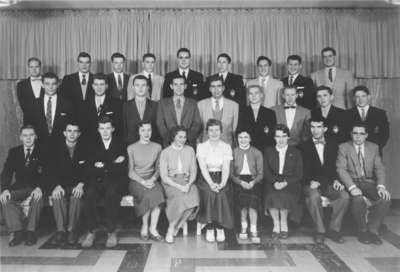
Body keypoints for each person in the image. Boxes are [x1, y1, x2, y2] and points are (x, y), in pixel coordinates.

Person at [336, 123, 391, 245]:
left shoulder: (374, 147)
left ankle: (373, 231)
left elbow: (379, 168)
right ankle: (363, 231)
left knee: (384, 199)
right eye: (355, 133)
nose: (358, 137)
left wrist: (381, 187)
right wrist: (352, 187)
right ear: (351, 134)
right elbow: (341, 169)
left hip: (368, 182)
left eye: (361, 134)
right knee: (358, 199)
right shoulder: (343, 147)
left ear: (366, 135)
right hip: (352, 181)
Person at [301, 117, 349, 244]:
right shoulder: (303, 146)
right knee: (314, 196)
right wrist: (310, 181)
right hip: (309, 182)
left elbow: (336, 167)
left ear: (325, 128)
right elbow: (302, 171)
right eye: (312, 127)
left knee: (344, 196)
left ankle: (334, 229)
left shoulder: (333, 145)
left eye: (319, 127)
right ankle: (320, 230)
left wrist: (337, 180)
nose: (315, 130)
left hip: (328, 182)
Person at [81, 117, 127, 248]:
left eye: (107, 128)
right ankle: (91, 231)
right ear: (98, 130)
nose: (105, 131)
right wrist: (112, 164)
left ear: (112, 129)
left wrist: (101, 166)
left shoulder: (121, 145)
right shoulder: (92, 145)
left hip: (115, 182)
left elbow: (122, 168)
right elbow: (88, 167)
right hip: (97, 182)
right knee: (88, 195)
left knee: (112, 195)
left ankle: (111, 231)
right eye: (102, 128)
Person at [0, 125, 45, 246]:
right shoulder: (14, 152)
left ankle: (31, 232)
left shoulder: (43, 151)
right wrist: (4, 190)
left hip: (36, 187)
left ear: (35, 136)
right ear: (21, 137)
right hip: (19, 187)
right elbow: (6, 173)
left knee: (38, 197)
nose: (28, 138)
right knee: (5, 199)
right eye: (25, 135)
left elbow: (48, 173)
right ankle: (17, 232)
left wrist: (40, 188)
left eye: (31, 135)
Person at [48, 122, 87, 246]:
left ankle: (71, 230)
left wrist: (81, 184)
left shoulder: (86, 148)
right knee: (57, 195)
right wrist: (56, 186)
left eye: (75, 131)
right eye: (69, 131)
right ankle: (61, 230)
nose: (72, 134)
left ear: (79, 134)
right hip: (62, 185)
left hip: (78, 186)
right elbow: (50, 171)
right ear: (64, 133)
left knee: (76, 196)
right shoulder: (55, 150)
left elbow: (89, 170)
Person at [160, 126, 200, 243]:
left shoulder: (190, 150)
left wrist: (188, 184)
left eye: (184, 137)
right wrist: (179, 186)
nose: (183, 139)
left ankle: (177, 226)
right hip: (171, 183)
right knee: (179, 198)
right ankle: (171, 229)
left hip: (187, 181)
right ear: (173, 137)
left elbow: (194, 170)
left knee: (194, 198)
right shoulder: (165, 152)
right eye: (180, 137)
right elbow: (164, 176)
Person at [196, 119, 234, 242]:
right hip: (206, 178)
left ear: (221, 131)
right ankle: (210, 227)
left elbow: (226, 167)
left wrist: (222, 183)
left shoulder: (226, 147)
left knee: (222, 193)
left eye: (217, 130)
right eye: (211, 130)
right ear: (207, 132)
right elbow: (203, 168)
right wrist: (211, 184)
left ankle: (220, 227)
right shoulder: (201, 147)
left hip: (221, 176)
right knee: (209, 192)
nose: (214, 133)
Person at [127, 122, 165, 242]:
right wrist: (143, 182)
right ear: (139, 132)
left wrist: (153, 179)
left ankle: (153, 229)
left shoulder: (157, 147)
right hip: (137, 181)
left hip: (152, 179)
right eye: (143, 130)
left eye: (149, 130)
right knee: (147, 195)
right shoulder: (131, 148)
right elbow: (130, 172)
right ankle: (144, 227)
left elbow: (159, 168)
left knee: (157, 195)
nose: (146, 133)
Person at [264, 124, 303, 239]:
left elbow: (299, 174)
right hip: (272, 182)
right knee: (272, 194)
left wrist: (285, 182)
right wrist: (274, 183)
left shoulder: (296, 152)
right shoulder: (268, 151)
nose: (281, 140)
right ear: (274, 138)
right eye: (278, 136)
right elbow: (266, 172)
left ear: (288, 137)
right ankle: (276, 224)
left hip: (290, 182)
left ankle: (284, 223)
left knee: (285, 195)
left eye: (284, 136)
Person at [231, 129, 263, 243]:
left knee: (252, 203)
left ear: (250, 139)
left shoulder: (257, 152)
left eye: (245, 137)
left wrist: (253, 182)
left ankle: (253, 229)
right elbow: (231, 174)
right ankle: (244, 227)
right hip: (239, 180)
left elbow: (260, 173)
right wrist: (240, 182)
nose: (243, 140)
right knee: (243, 202)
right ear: (237, 139)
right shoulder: (233, 152)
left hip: (254, 180)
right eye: (240, 137)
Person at [26, 72, 74, 147]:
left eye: (54, 84)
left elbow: (72, 126)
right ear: (42, 85)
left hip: (61, 146)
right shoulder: (33, 104)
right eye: (47, 84)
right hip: (39, 145)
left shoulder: (67, 104)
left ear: (58, 84)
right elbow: (28, 126)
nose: (51, 87)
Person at [156, 75, 202, 147]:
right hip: (169, 144)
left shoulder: (193, 103)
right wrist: (170, 138)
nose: (178, 87)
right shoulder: (162, 103)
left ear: (185, 86)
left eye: (181, 84)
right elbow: (160, 123)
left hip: (188, 144)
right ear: (171, 86)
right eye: (176, 84)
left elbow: (197, 123)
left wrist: (186, 138)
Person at [79, 73, 123, 143]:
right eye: (96, 85)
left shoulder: (116, 103)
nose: (99, 88)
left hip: (109, 143)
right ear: (92, 86)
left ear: (106, 86)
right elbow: (82, 126)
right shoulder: (84, 104)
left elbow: (119, 126)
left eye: (102, 84)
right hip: (89, 143)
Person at [345, 85, 389, 153]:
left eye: (363, 96)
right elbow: (345, 134)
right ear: (354, 98)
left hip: (374, 152)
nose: (361, 99)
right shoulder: (347, 114)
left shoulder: (380, 113)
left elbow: (385, 134)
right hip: (353, 152)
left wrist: (377, 148)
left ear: (368, 97)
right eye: (357, 97)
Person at [198, 75, 239, 146]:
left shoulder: (234, 105)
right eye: (213, 87)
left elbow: (235, 131)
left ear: (223, 88)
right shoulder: (200, 105)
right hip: (206, 148)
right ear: (210, 89)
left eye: (219, 86)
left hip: (227, 148)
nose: (216, 89)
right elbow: (199, 129)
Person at [123, 75, 160, 145]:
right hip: (131, 145)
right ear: (133, 88)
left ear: (147, 87)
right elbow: (124, 129)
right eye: (137, 85)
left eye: (143, 85)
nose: (140, 88)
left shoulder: (156, 106)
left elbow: (157, 129)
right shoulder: (125, 106)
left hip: (151, 144)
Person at [238, 85, 276, 151]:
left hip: (265, 150)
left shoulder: (270, 113)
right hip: (247, 150)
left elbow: (272, 135)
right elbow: (239, 132)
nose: (254, 96)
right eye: (251, 94)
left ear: (261, 95)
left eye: (256, 93)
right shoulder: (241, 112)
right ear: (248, 96)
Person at [17, 57, 44, 124]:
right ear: (28, 68)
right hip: (29, 120)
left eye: (36, 67)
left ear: (40, 67)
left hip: (46, 120)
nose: (34, 70)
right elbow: (23, 105)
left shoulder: (48, 82)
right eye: (31, 67)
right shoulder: (21, 85)